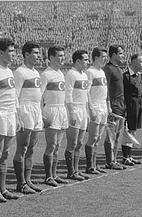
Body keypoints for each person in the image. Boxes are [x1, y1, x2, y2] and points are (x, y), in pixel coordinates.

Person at [0, 38, 21, 201]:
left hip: (10, 115)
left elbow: (13, 96)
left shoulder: (9, 71)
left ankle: (3, 188)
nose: (13, 54)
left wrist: (17, 114)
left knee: (6, 153)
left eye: (14, 51)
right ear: (1, 53)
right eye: (10, 51)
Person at [13, 42, 44, 193]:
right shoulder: (20, 72)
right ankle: (21, 183)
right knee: (23, 147)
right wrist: (18, 115)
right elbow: (15, 95)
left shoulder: (36, 72)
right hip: (25, 109)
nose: (39, 56)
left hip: (36, 110)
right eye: (36, 53)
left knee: (31, 148)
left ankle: (28, 180)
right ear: (26, 55)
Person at [40, 45, 69, 186]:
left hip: (61, 110)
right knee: (51, 145)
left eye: (63, 56)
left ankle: (55, 174)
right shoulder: (46, 74)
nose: (63, 58)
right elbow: (39, 95)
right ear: (51, 57)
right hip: (51, 110)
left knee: (57, 145)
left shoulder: (61, 73)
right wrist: (41, 113)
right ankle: (48, 176)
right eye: (60, 56)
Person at [64, 49, 90, 180]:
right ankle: (71, 171)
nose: (87, 62)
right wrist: (71, 113)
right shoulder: (71, 74)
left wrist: (87, 111)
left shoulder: (84, 75)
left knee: (79, 142)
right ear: (78, 61)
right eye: (85, 60)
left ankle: (76, 170)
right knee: (72, 142)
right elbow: (67, 94)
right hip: (74, 110)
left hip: (83, 110)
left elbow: (85, 96)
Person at [84, 47, 110, 174]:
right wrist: (91, 109)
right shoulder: (90, 72)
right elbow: (87, 92)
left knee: (99, 137)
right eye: (103, 57)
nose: (105, 59)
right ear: (95, 58)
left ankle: (95, 164)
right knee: (93, 137)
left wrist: (107, 105)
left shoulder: (102, 72)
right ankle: (89, 166)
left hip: (103, 107)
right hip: (95, 106)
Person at [103, 45, 126, 170]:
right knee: (111, 134)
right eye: (121, 53)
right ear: (114, 55)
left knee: (117, 135)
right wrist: (108, 106)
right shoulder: (108, 69)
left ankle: (114, 159)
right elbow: (105, 88)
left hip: (121, 105)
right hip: (113, 106)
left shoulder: (118, 69)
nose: (123, 56)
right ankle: (109, 161)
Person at [122, 54, 142, 165]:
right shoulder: (126, 76)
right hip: (130, 105)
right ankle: (125, 156)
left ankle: (129, 155)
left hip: (138, 104)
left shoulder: (139, 76)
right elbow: (123, 94)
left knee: (133, 130)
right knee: (129, 130)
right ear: (134, 62)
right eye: (140, 61)